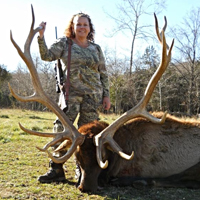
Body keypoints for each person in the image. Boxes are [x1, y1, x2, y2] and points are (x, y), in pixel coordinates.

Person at [37, 12, 111, 183]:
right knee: (62, 130)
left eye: (85, 24)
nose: (82, 27)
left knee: (88, 135)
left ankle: (82, 170)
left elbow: (103, 73)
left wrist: (106, 95)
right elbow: (46, 56)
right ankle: (56, 168)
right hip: (71, 95)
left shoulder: (96, 48)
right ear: (72, 26)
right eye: (78, 24)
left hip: (93, 97)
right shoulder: (64, 43)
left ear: (90, 28)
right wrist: (41, 37)